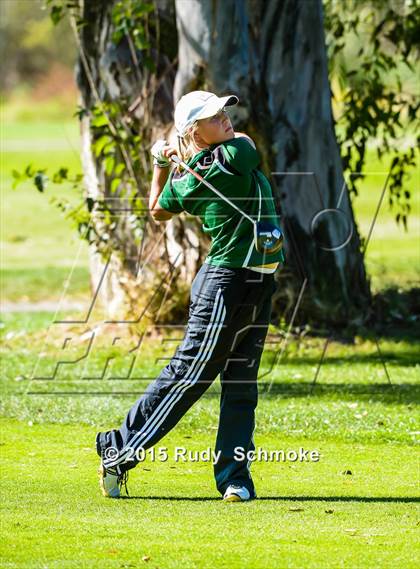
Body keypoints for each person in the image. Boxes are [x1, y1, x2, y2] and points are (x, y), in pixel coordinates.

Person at [96, 90, 286, 501]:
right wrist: (167, 163)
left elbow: (158, 207)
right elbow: (161, 208)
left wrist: (162, 166)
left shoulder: (194, 172)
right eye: (213, 116)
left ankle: (235, 479)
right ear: (193, 130)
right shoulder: (231, 156)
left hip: (257, 280)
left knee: (241, 383)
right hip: (225, 282)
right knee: (191, 373)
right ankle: (119, 449)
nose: (226, 118)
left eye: (224, 111)